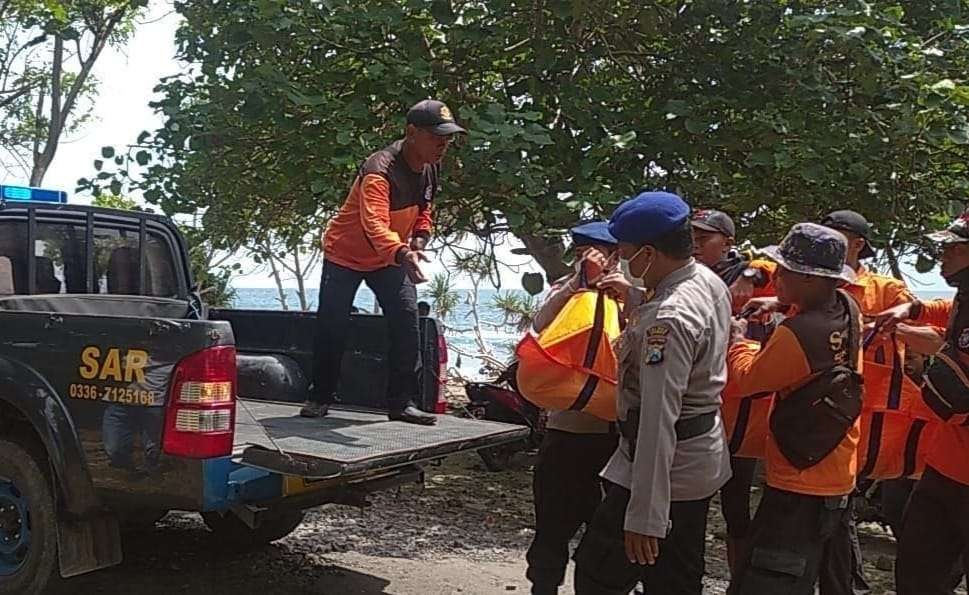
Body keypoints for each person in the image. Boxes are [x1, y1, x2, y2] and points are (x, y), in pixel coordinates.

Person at [572, 191, 732, 595]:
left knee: (598, 573)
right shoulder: (707, 281)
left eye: (623, 250)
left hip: (666, 467)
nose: (619, 258)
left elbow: (660, 419)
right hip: (695, 459)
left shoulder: (669, 321)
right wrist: (635, 295)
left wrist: (646, 515)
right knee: (674, 578)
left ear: (647, 252)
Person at [301, 99, 466, 425]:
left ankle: (401, 403)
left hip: (389, 257)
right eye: (436, 136)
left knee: (407, 324)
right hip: (345, 255)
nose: (443, 144)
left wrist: (418, 240)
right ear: (411, 133)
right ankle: (319, 397)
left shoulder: (431, 165)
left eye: (447, 137)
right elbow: (374, 225)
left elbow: (425, 210)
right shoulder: (379, 170)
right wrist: (403, 253)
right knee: (332, 327)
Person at [727, 223, 862, 595]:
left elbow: (748, 380)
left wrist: (739, 340)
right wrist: (781, 303)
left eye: (785, 271)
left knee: (767, 580)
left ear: (809, 278)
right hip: (837, 469)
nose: (777, 276)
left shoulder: (797, 334)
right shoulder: (848, 308)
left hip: (797, 481)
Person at [874, 213, 969, 594]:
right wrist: (909, 310)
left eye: (954, 248)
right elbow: (949, 316)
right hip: (945, 467)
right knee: (916, 574)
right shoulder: (965, 296)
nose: (944, 256)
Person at [525, 221, 621, 595]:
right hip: (567, 433)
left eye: (597, 255)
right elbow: (540, 323)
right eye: (582, 256)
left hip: (615, 438)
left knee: (607, 533)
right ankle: (543, 588)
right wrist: (576, 283)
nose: (591, 262)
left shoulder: (628, 296)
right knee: (551, 527)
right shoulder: (564, 294)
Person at [690, 208, 766, 578]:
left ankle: (740, 581)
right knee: (692, 500)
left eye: (706, 237)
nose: (696, 242)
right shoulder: (685, 276)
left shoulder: (746, 274)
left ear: (729, 242)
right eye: (693, 235)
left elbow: (776, 267)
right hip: (696, 401)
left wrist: (751, 274)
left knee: (736, 502)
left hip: (739, 409)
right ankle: (684, 575)